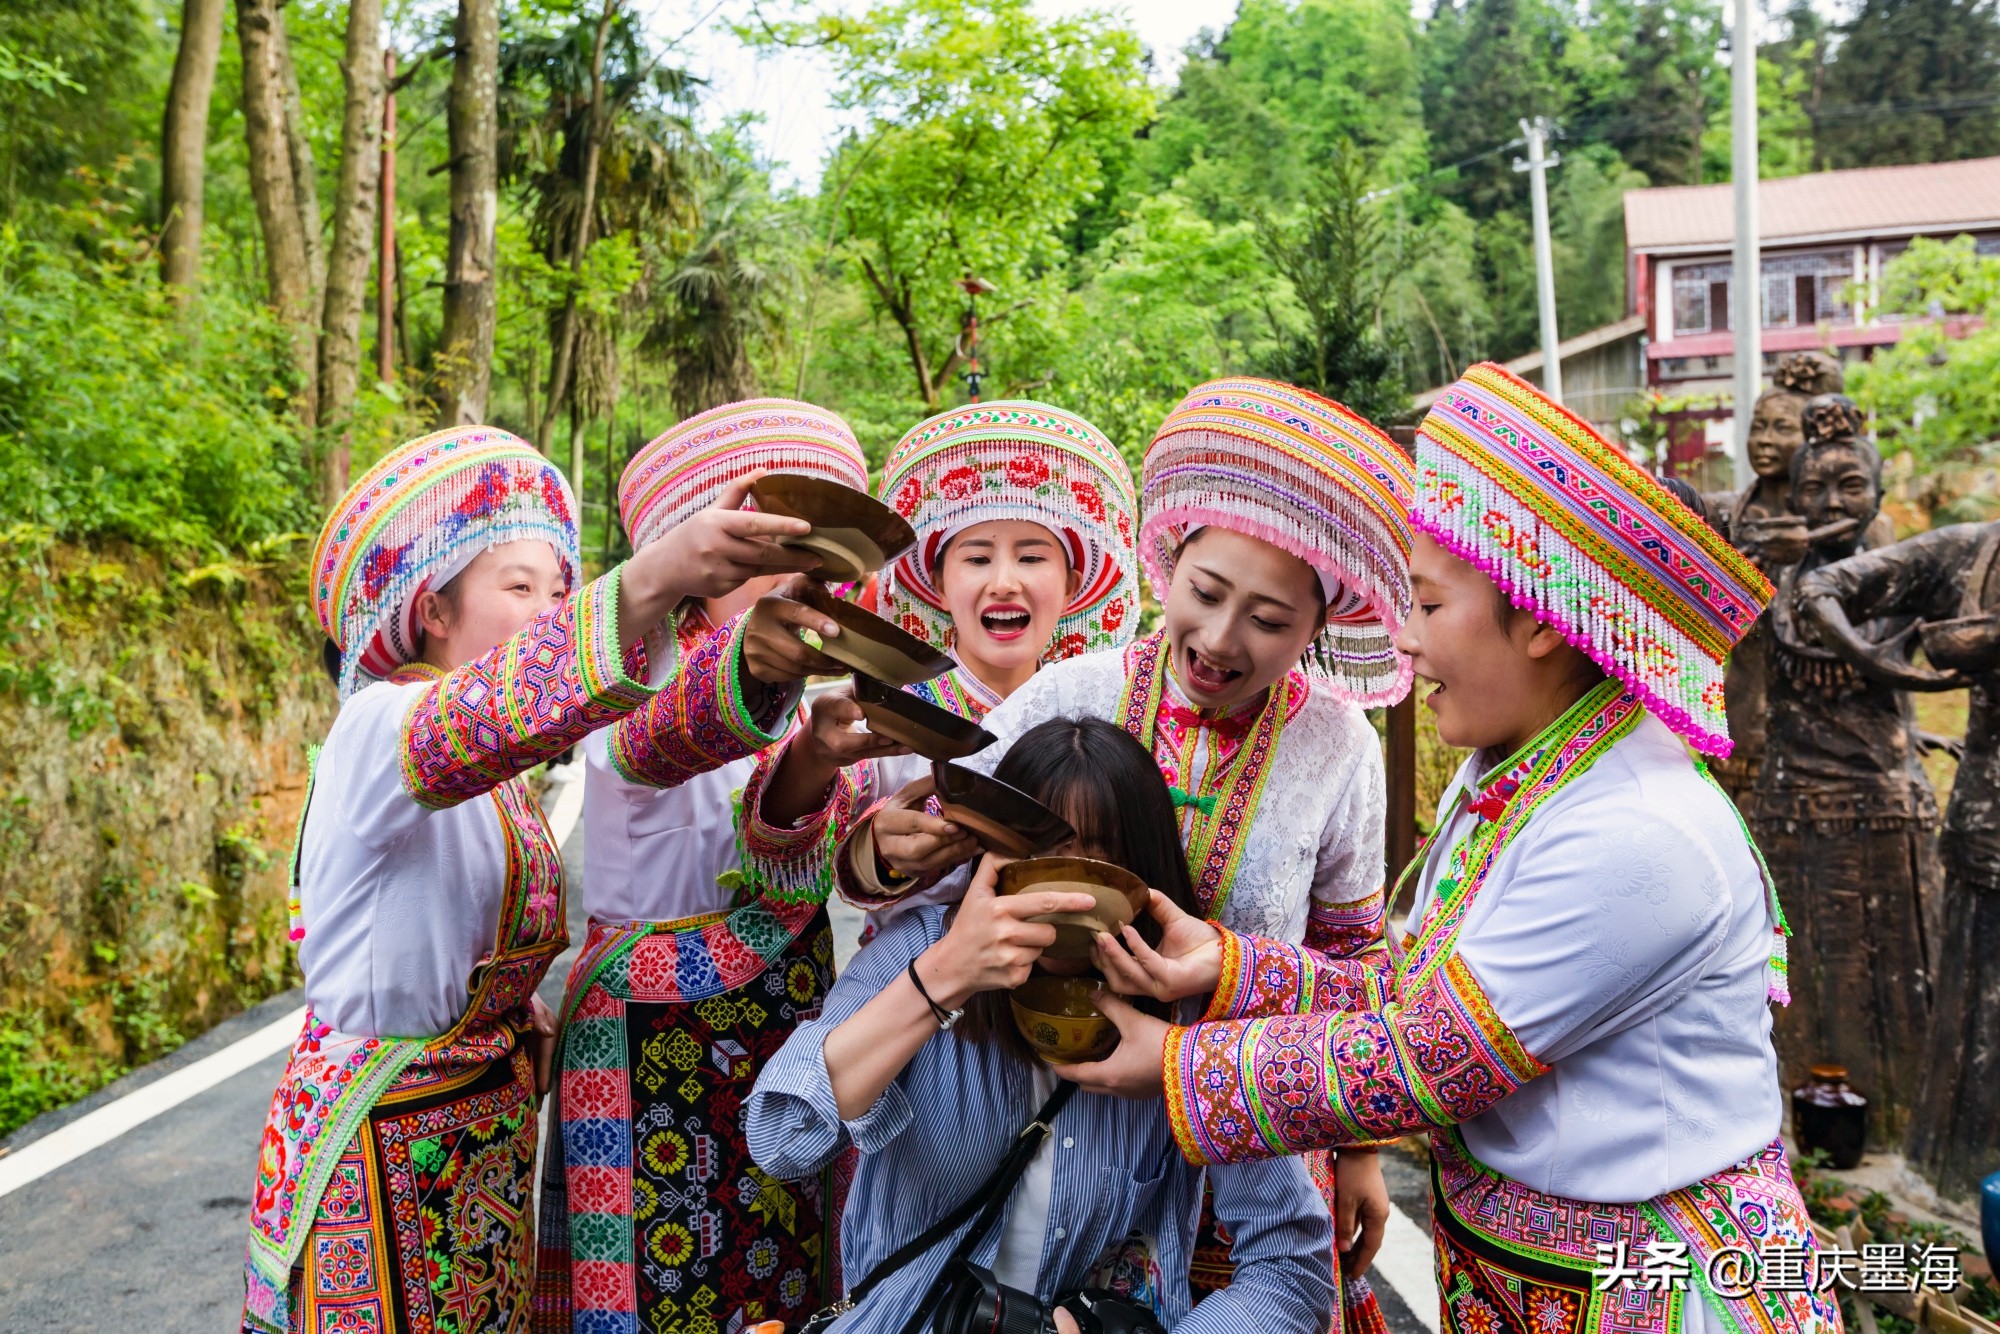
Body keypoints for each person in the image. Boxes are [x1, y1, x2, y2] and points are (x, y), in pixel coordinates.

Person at [1065, 364, 1843, 1334]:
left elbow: (1434, 1057)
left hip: (1659, 1293)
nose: (1402, 639)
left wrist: (1179, 1066)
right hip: (1534, 1278)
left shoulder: (1635, 830)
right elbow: (1419, 990)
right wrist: (1226, 965)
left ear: (1539, 623)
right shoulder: (1519, 779)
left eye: (1428, 606)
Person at [845, 378, 1412, 1330]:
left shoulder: (1341, 748)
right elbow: (932, 883)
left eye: (1270, 621)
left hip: (1247, 1134)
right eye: (1206, 593)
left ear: (1321, 626)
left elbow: (1359, 967)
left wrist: (1357, 1146)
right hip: (1057, 1131)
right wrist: (887, 848)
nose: (1220, 640)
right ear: (1168, 564)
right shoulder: (1069, 693)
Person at [241, 426, 820, 1333]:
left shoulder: (505, 774)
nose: (549, 612)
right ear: (432, 611)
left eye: (559, 592)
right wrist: (659, 577)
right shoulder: (380, 725)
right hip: (379, 1133)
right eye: (520, 588)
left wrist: (512, 1009)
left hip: (480, 1138)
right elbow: (493, 711)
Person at [743, 717, 1335, 1334]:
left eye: (1099, 857)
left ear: (1144, 870)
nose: (1065, 889)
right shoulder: (917, 955)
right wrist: (945, 976)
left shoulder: (1191, 1017)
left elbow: (1293, 1266)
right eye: (1037, 850)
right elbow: (781, 1140)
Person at [533, 401, 895, 1332]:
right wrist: (761, 669)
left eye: (825, 557)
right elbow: (665, 739)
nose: (806, 579)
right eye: (777, 550)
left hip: (790, 1029)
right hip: (652, 1042)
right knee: (653, 1299)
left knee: (788, 1287)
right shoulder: (636, 671)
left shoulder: (819, 692)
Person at [737, 400, 1140, 907]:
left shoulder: (1102, 709)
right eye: (978, 558)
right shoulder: (889, 711)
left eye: (1032, 557)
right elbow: (790, 850)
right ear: (939, 586)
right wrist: (878, 850)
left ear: (1071, 586)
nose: (1004, 582)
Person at [1756, 397, 1939, 1142]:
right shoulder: (1772, 570)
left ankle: (1894, 1125)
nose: (1832, 503)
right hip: (1790, 803)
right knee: (1794, 979)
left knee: (1896, 980)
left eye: (1851, 486)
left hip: (1883, 803)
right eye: (1814, 488)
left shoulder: (1908, 575)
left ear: (1879, 493)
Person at [1797, 518, 1998, 1196]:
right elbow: (1822, 588)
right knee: (1973, 1033)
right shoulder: (1974, 550)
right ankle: (1953, 1183)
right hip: (1986, 827)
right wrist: (1877, 660)